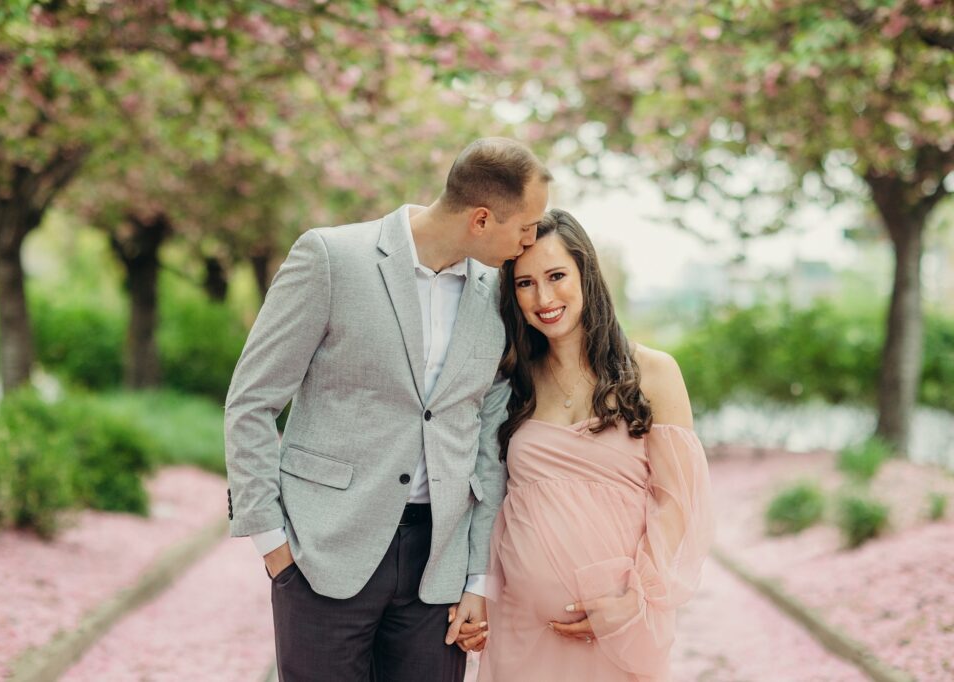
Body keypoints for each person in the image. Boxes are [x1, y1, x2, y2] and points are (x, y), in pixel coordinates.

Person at [224, 138, 551, 681]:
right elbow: (251, 401)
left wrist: (476, 578)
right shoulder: (331, 258)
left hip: (436, 569)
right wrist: (272, 544)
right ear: (481, 219)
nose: (531, 239)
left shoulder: (496, 295)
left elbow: (487, 442)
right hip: (321, 554)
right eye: (525, 225)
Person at [475, 208, 714, 681]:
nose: (543, 297)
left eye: (556, 275)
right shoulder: (511, 381)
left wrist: (635, 596)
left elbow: (676, 501)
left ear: (586, 273)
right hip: (523, 625)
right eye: (525, 283)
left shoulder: (655, 372)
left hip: (619, 623)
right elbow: (485, 494)